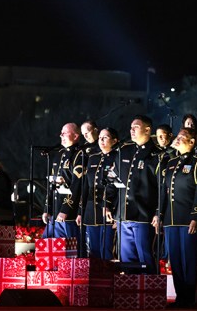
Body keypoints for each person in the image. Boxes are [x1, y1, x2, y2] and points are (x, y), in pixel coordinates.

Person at [158, 127, 197, 309]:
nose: (178, 139)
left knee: (190, 261)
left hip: (188, 220)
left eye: (183, 137)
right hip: (171, 221)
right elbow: (164, 192)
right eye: (178, 137)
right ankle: (181, 297)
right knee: (176, 261)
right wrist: (160, 215)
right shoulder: (171, 163)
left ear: (192, 141)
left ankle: (191, 299)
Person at [105, 115, 162, 273]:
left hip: (144, 216)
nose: (132, 131)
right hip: (123, 215)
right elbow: (112, 181)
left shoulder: (157, 155)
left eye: (135, 127)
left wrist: (158, 212)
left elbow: (162, 188)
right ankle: (131, 295)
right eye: (131, 128)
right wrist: (107, 205)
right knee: (126, 261)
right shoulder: (124, 151)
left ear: (147, 129)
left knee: (146, 258)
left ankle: (150, 295)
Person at [78, 127, 119, 259]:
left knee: (107, 250)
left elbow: (118, 188)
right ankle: (96, 278)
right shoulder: (93, 158)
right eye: (100, 137)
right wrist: (80, 211)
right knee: (93, 251)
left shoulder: (117, 158)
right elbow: (86, 186)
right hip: (91, 210)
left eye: (105, 137)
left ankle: (107, 278)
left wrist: (116, 212)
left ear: (114, 140)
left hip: (108, 210)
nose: (101, 140)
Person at [43, 122, 82, 239]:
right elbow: (52, 185)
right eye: (61, 133)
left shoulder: (79, 155)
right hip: (55, 210)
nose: (61, 136)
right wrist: (47, 208)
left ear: (75, 136)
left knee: (68, 249)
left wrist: (65, 210)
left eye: (64, 133)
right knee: (47, 245)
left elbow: (76, 186)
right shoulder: (59, 154)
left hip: (68, 213)